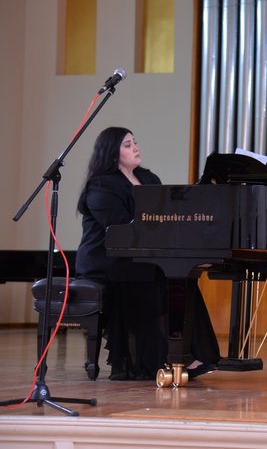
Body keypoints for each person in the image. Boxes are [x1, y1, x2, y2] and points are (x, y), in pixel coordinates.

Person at [76, 126, 220, 380]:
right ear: (112, 152)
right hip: (108, 261)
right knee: (156, 278)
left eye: (135, 142)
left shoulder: (149, 179)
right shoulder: (101, 186)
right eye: (128, 145)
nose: (135, 148)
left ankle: (185, 354)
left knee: (183, 278)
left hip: (141, 257)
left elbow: (164, 216)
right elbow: (119, 226)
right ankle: (153, 360)